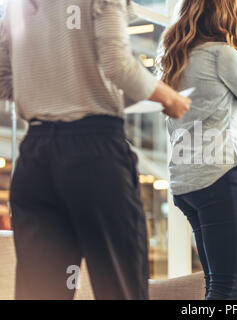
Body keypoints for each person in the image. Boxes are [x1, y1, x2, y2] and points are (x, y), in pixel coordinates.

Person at [0, 0, 190, 300]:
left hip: (34, 157)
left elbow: (3, 79)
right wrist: (170, 97)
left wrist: (49, 93)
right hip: (94, 154)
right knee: (120, 286)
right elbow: (118, 65)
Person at [159, 0, 237, 300]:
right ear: (228, 14)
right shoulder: (222, 56)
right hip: (220, 179)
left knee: (216, 284)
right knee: (229, 287)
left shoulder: (177, 61)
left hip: (186, 185)